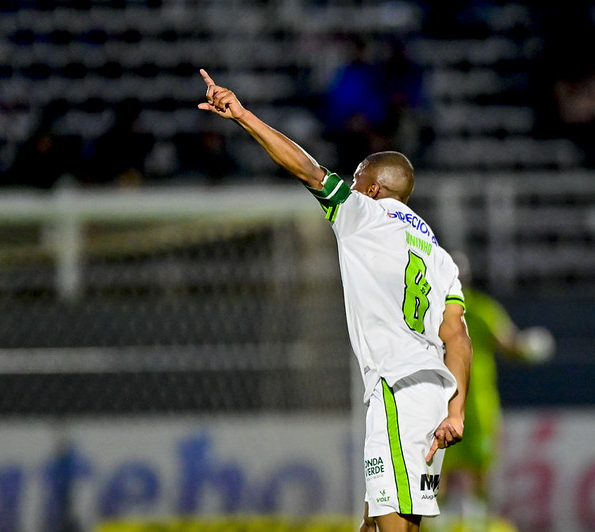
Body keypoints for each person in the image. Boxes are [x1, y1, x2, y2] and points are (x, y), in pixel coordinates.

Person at [197, 69, 473, 532]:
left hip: (396, 389)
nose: (349, 182)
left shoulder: (364, 214)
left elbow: (307, 169)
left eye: (356, 177)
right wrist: (456, 409)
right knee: (376, 525)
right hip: (432, 395)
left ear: (371, 187)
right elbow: (456, 336)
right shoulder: (439, 256)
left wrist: (243, 116)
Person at [433, 253, 554, 531]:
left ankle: (477, 523)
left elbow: (508, 344)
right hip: (445, 403)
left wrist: (526, 348)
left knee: (476, 469)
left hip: (475, 405)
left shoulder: (481, 310)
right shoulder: (434, 311)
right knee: (442, 471)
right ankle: (444, 523)